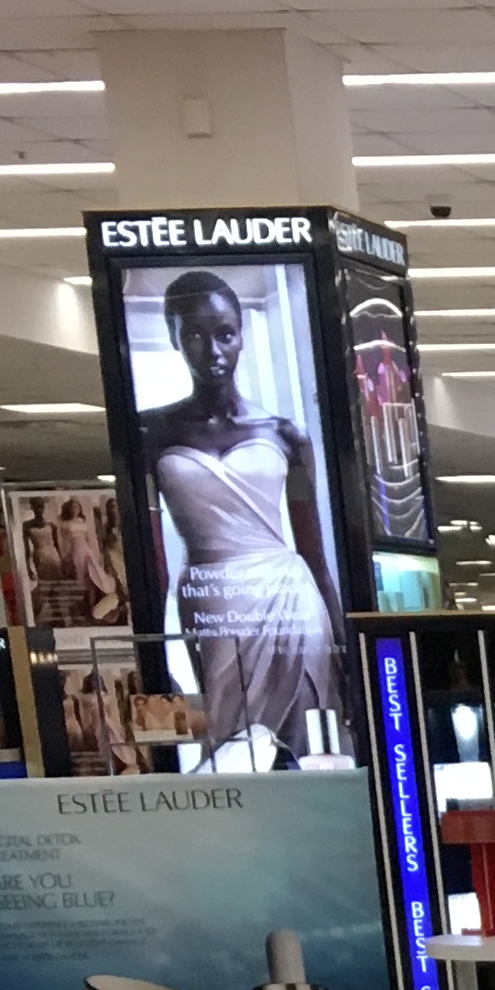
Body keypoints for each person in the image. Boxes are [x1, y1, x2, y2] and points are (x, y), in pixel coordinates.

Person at [131, 271, 342, 763]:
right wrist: (153, 652)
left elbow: (313, 552)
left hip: (289, 598)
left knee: (306, 741)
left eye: (224, 334)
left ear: (241, 334)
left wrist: (342, 644)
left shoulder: (285, 434)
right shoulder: (151, 433)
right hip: (213, 598)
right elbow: (152, 561)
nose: (213, 350)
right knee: (230, 738)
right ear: (174, 338)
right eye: (194, 335)